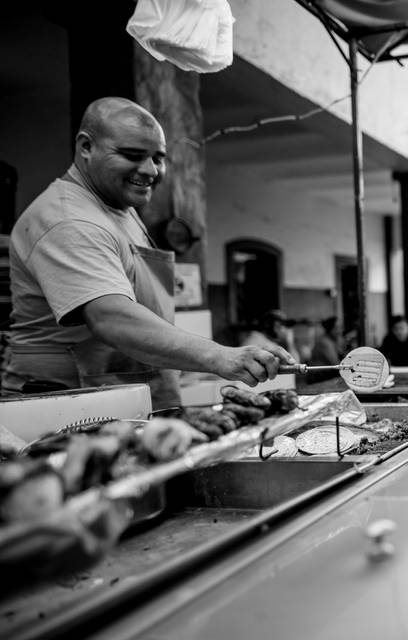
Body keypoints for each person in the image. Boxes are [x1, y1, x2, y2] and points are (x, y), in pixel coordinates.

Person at [2, 97, 295, 411]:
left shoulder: (118, 208)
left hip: (120, 400)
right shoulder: (68, 219)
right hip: (64, 408)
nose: (150, 170)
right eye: (132, 155)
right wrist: (220, 356)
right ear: (86, 146)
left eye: (159, 158)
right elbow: (111, 317)